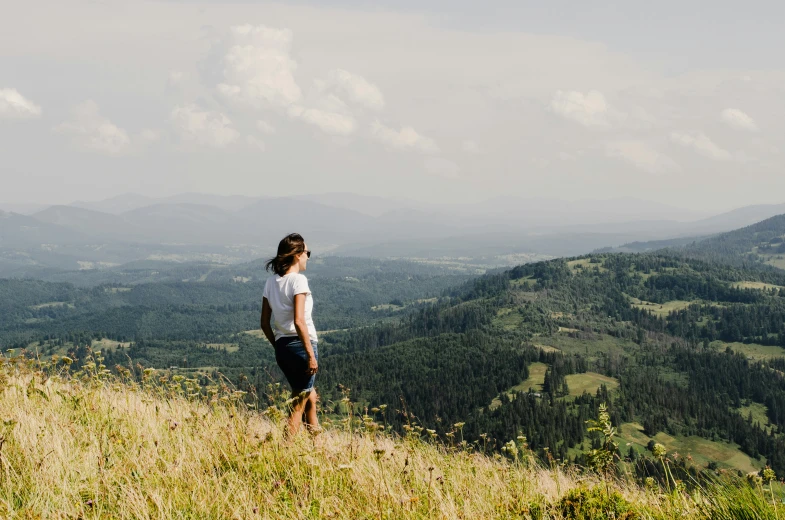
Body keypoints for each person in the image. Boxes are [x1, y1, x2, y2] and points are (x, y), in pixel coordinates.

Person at [260, 233, 320, 437]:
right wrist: (310, 355)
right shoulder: (299, 281)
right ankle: (286, 450)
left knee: (309, 397)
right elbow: (299, 320)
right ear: (297, 255)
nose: (308, 257)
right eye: (307, 253)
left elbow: (264, 323)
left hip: (283, 348)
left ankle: (318, 445)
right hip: (302, 346)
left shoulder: (271, 282)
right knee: (298, 403)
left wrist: (277, 345)